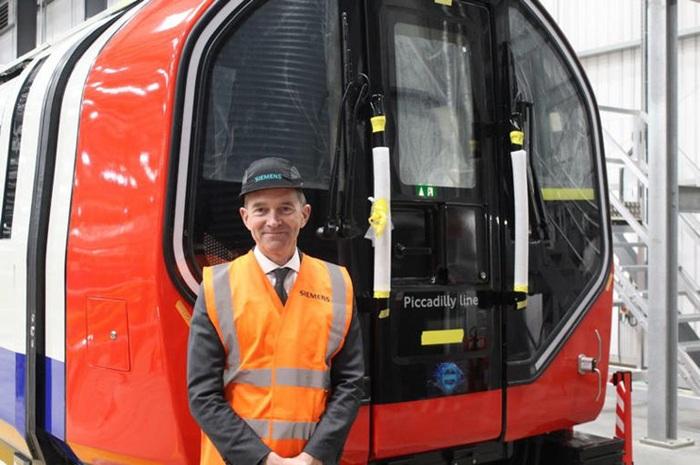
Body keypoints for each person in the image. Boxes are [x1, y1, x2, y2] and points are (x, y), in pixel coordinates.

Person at [187, 157, 364, 465]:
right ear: (245, 217)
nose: (273, 221)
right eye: (261, 210)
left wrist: (314, 455)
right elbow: (202, 395)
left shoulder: (338, 284)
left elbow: (350, 383)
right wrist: (264, 460)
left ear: (304, 215)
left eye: (285, 208)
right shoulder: (216, 286)